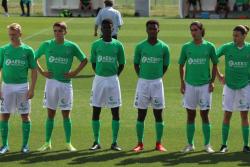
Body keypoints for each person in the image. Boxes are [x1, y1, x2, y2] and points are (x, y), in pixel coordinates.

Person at [36, 21, 88, 152]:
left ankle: (68, 143)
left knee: (66, 114)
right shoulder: (47, 45)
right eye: (55, 31)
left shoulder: (71, 46)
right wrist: (42, 71)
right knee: (50, 114)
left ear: (65, 32)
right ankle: (47, 142)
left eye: (60, 31)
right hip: (51, 83)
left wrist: (74, 72)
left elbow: (84, 60)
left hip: (65, 84)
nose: (57, 33)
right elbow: (33, 57)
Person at [179, 21, 218, 153]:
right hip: (190, 85)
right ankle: (190, 144)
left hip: (204, 86)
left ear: (201, 30)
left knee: (205, 115)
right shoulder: (186, 47)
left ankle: (207, 145)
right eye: (191, 30)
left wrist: (212, 81)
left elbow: (215, 64)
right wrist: (182, 82)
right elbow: (181, 65)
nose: (193, 32)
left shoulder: (210, 46)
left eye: (195, 29)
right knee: (190, 115)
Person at [132, 20, 170, 152]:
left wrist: (157, 76)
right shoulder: (140, 46)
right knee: (141, 113)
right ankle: (139, 143)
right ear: (146, 30)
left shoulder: (164, 47)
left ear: (158, 30)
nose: (152, 31)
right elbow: (136, 63)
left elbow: (165, 65)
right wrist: (141, 76)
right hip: (143, 83)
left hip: (157, 83)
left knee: (158, 114)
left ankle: (158, 143)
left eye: (154, 28)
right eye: (150, 29)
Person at [0, 23, 37, 154]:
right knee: (4, 115)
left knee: (25, 116)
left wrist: (31, 89)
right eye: (10, 34)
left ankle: (25, 145)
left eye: (14, 34)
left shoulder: (28, 50)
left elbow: (34, 70)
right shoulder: (3, 50)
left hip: (22, 87)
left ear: (20, 34)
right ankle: (4, 145)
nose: (12, 37)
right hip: (7, 87)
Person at [89, 19, 125, 151]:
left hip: (113, 80)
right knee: (96, 110)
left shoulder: (118, 45)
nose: (106, 29)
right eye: (104, 27)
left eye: (109, 27)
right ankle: (96, 141)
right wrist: (100, 73)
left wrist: (114, 75)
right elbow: (93, 62)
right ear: (101, 29)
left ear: (113, 28)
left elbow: (122, 63)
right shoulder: (95, 45)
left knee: (115, 111)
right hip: (99, 80)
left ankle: (115, 142)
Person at [217, 25, 250, 153]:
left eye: (237, 35)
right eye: (233, 35)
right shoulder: (227, 47)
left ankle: (246, 145)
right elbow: (213, 58)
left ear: (244, 36)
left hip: (245, 86)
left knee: (244, 116)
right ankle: (224, 145)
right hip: (229, 86)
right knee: (227, 114)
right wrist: (219, 76)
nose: (234, 38)